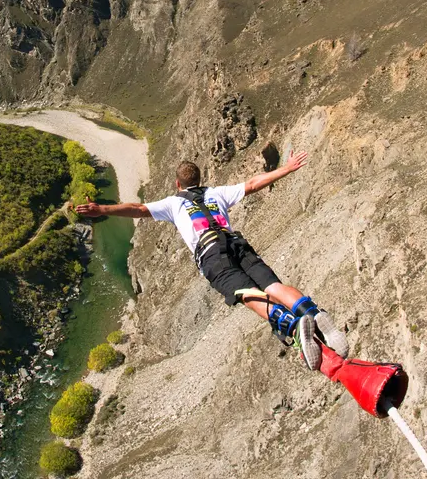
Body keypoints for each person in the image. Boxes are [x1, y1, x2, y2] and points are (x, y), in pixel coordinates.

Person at [75, 151, 347, 369]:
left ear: (177, 184)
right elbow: (253, 183)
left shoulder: (173, 203)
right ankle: (314, 313)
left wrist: (102, 209)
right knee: (273, 286)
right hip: (237, 242)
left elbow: (137, 209)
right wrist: (286, 169)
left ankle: (293, 327)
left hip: (211, 254)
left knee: (245, 293)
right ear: (199, 179)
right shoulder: (216, 193)